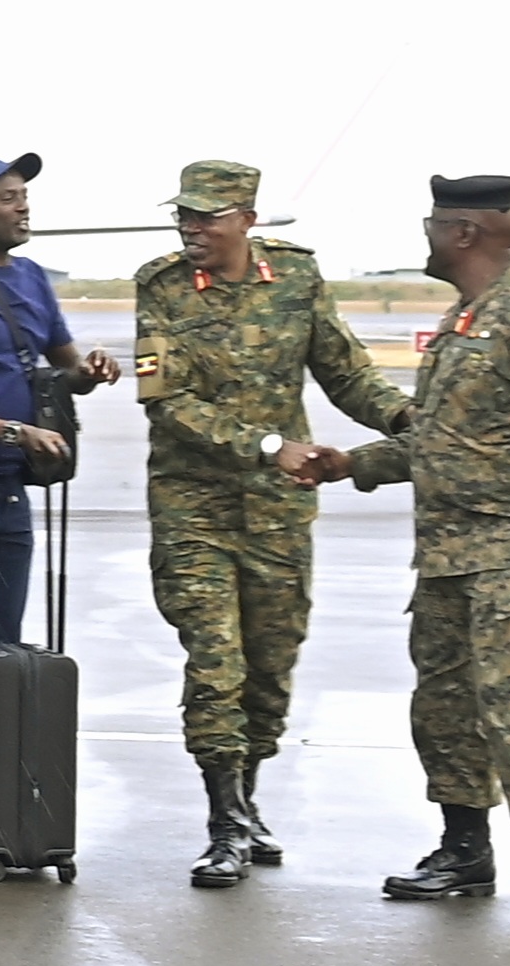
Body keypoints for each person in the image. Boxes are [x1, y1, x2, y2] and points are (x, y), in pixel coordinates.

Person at [293, 175, 510, 935]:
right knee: (441, 712)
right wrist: (355, 465)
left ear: (464, 233)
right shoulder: (463, 321)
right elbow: (445, 442)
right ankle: (464, 852)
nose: (426, 237)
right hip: (446, 559)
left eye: (433, 224)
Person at [133, 159, 409, 887]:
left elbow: (344, 372)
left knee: (270, 667)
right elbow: (167, 401)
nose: (190, 229)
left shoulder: (294, 279)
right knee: (214, 662)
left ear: (245, 220)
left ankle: (248, 798)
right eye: (183, 216)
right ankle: (222, 819)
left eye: (205, 217)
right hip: (192, 505)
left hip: (278, 513)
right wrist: (265, 447)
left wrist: (409, 416)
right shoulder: (158, 287)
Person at [0, 154, 118, 646]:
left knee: (7, 644)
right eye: (7, 199)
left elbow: (65, 370)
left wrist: (91, 372)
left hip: (12, 486)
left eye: (25, 198)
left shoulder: (32, 277)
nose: (22, 209)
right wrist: (14, 432)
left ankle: (4, 725)